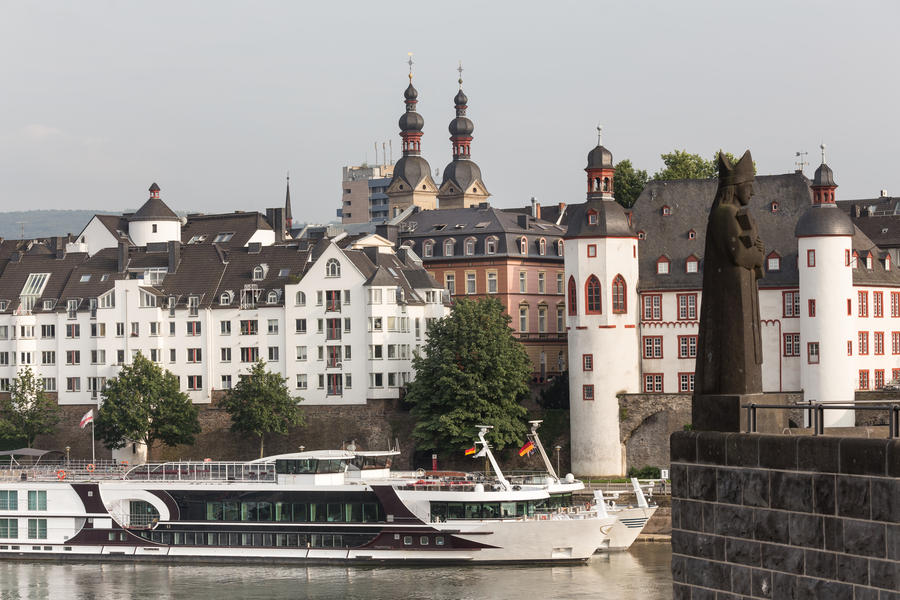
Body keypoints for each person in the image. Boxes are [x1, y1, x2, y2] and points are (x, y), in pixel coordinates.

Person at [695, 150, 764, 395]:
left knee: (747, 342)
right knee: (736, 343)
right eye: (750, 185)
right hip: (731, 295)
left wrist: (757, 256)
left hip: (742, 289)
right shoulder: (724, 214)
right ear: (736, 186)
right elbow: (739, 256)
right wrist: (757, 256)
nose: (753, 192)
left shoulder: (738, 215)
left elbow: (750, 257)